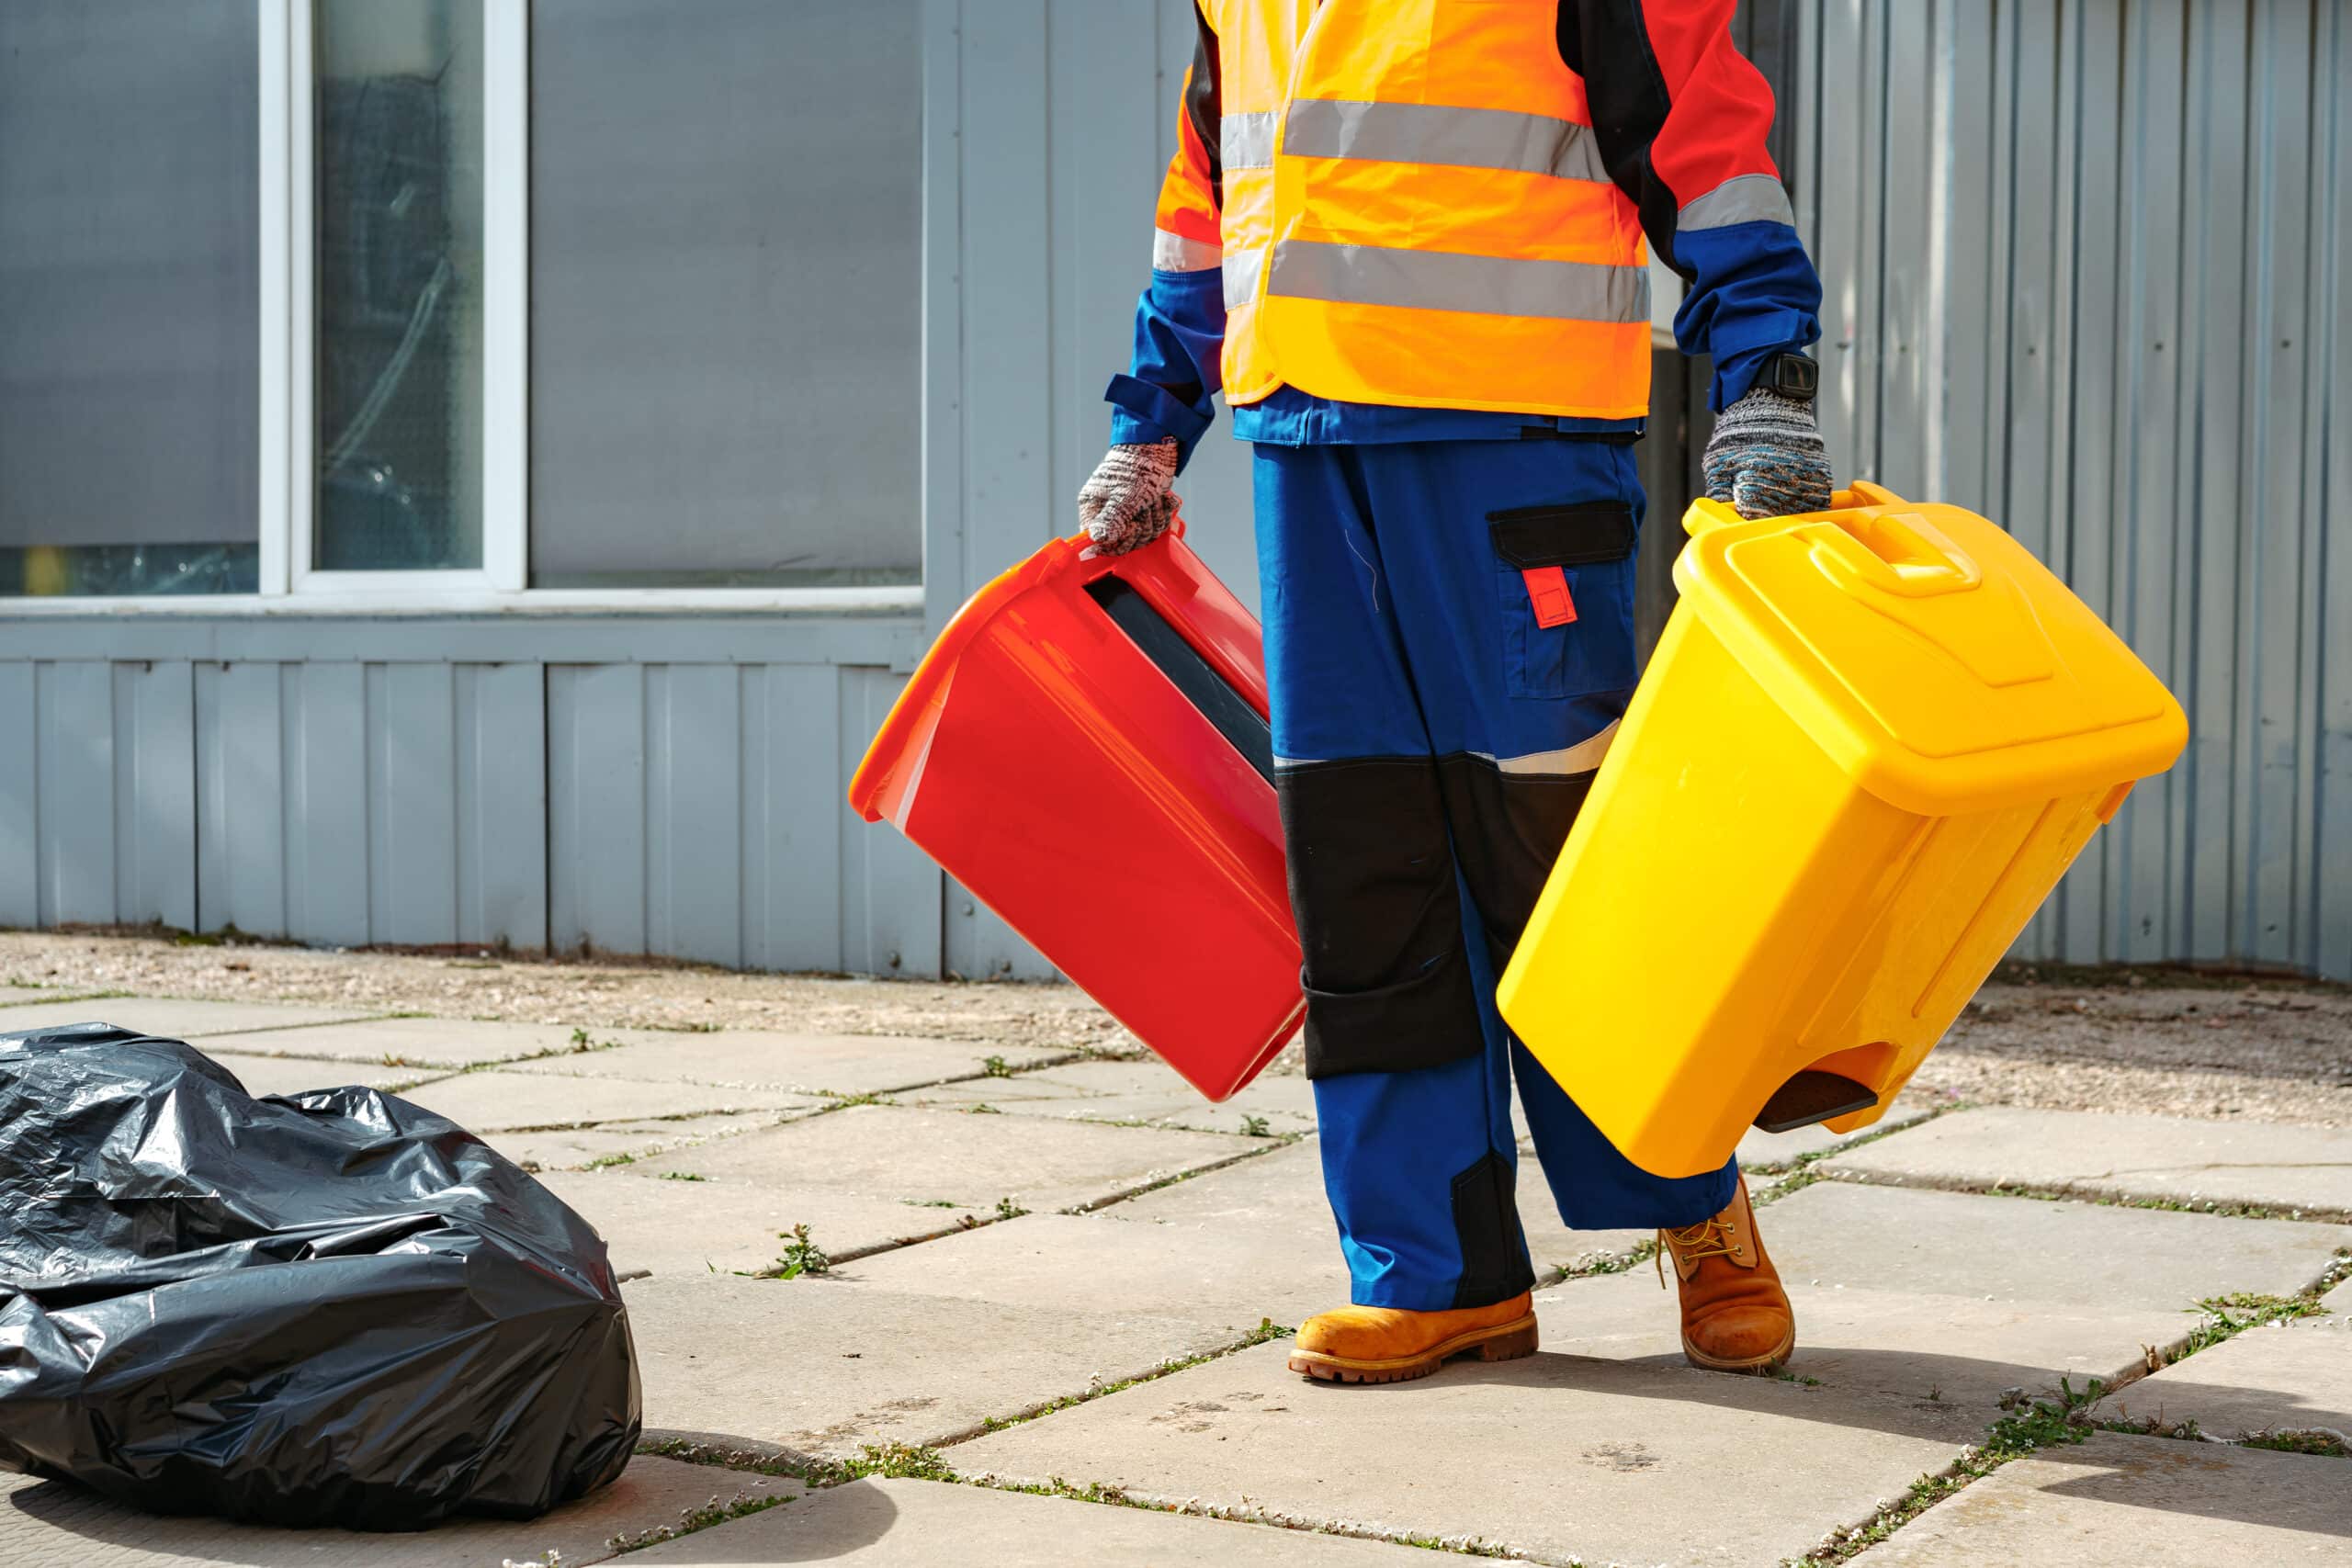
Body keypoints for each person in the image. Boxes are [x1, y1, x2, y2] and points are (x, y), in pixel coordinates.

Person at [1079, 1, 1832, 1385]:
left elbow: (1703, 135)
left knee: (1562, 861)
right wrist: (1151, 425)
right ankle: (1433, 1276)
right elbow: (1210, 193)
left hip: (1516, 440)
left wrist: (1766, 373)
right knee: (1368, 873)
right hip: (1306, 445)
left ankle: (1695, 1203)